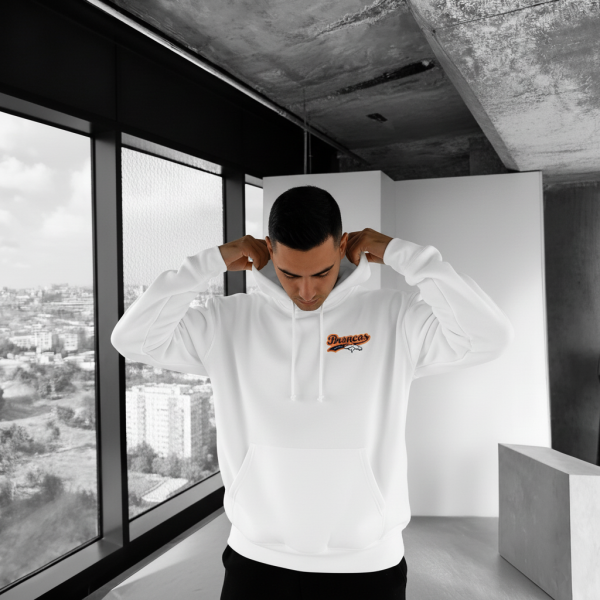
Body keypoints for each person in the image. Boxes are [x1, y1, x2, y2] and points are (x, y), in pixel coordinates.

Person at [111, 185, 515, 599]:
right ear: (269, 251)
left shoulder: (395, 316)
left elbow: (489, 336)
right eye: (291, 275)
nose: (307, 292)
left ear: (342, 248)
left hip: (367, 565)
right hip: (256, 560)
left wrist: (400, 253)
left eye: (321, 273)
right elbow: (132, 338)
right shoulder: (226, 322)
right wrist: (208, 263)